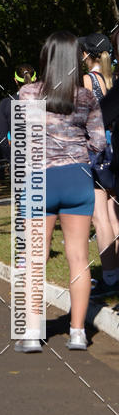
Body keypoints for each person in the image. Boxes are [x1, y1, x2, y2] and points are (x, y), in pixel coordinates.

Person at [19, 31, 106, 350]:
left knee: (35, 258)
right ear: (74, 59)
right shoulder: (85, 97)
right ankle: (78, 332)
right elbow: (98, 141)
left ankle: (31, 333)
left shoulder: (27, 93)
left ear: (46, 57)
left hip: (40, 180)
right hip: (76, 179)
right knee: (79, 259)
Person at [79, 32, 119, 296]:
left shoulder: (86, 80)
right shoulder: (112, 79)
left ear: (87, 55)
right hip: (115, 150)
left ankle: (110, 277)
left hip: (95, 153)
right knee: (115, 215)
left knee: (100, 216)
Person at [0, 64, 36, 161]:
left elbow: (2, 139)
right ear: (35, 79)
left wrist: (13, 159)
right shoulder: (48, 101)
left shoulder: (6, 104)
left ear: (15, 80)